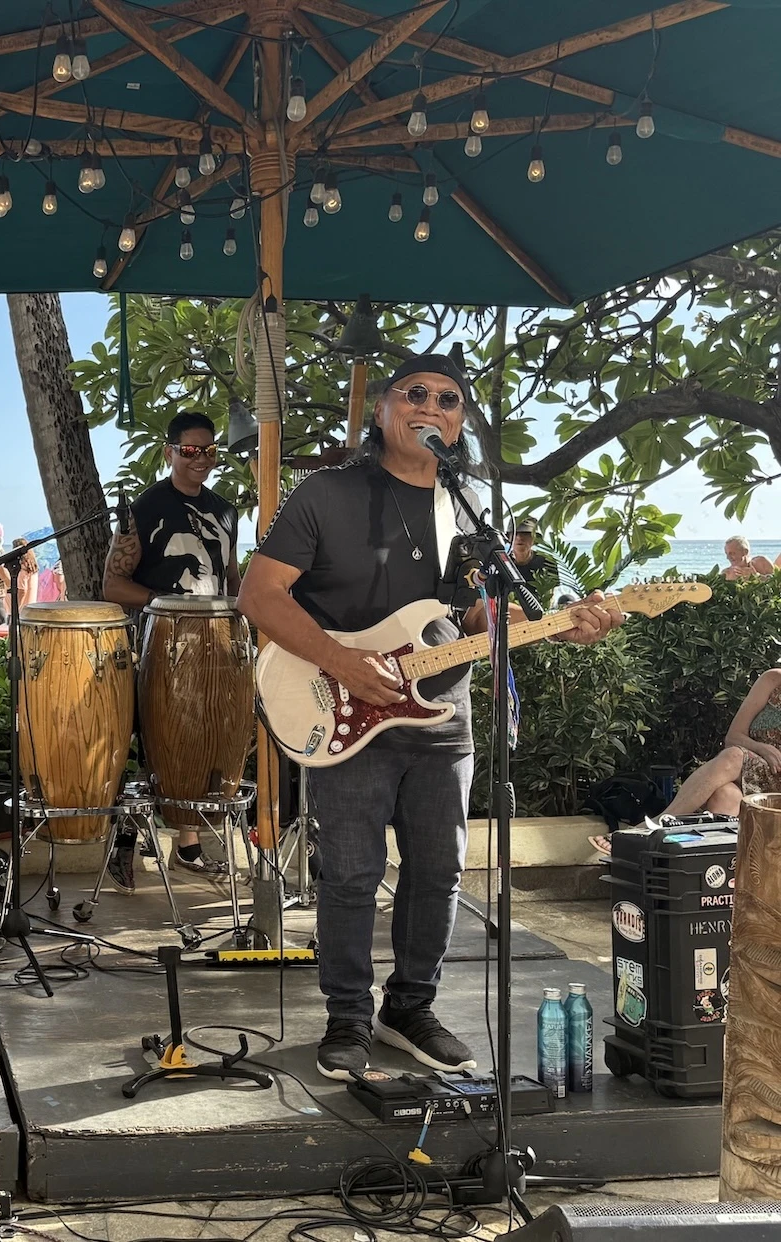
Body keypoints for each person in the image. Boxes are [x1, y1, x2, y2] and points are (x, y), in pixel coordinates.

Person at [236, 354, 622, 1082]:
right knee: (350, 874)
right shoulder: (328, 493)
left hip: (443, 711)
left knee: (439, 871)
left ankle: (409, 1008)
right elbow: (260, 596)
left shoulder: (469, 505)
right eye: (415, 393)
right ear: (382, 410)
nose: (432, 406)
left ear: (460, 421)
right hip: (343, 707)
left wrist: (556, 625)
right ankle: (348, 1017)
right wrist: (344, 662)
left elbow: (473, 613)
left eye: (449, 400)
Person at [103, 411, 241, 883]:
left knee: (207, 740)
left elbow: (231, 575)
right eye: (189, 450)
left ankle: (189, 847)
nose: (200, 459)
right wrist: (168, 606)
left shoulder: (225, 510)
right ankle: (123, 841)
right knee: (157, 740)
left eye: (208, 450)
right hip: (164, 641)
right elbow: (113, 585)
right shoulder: (144, 508)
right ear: (170, 453)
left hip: (220, 645)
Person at [590, 667, 781, 854]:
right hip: (747, 773)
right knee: (725, 795)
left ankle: (651, 827)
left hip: (775, 787)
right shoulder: (771, 680)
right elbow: (733, 737)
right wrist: (762, 748)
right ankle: (708, 873)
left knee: (734, 756)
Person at [509, 517, 558, 585]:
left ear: (534, 538)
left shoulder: (547, 562)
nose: (519, 537)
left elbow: (550, 592)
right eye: (515, 533)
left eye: (525, 533)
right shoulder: (501, 563)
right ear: (508, 537)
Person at [12, 538, 41, 610]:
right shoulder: (32, 567)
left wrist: (15, 608)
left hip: (22, 609)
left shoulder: (23, 569)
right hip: (31, 606)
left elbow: (22, 590)